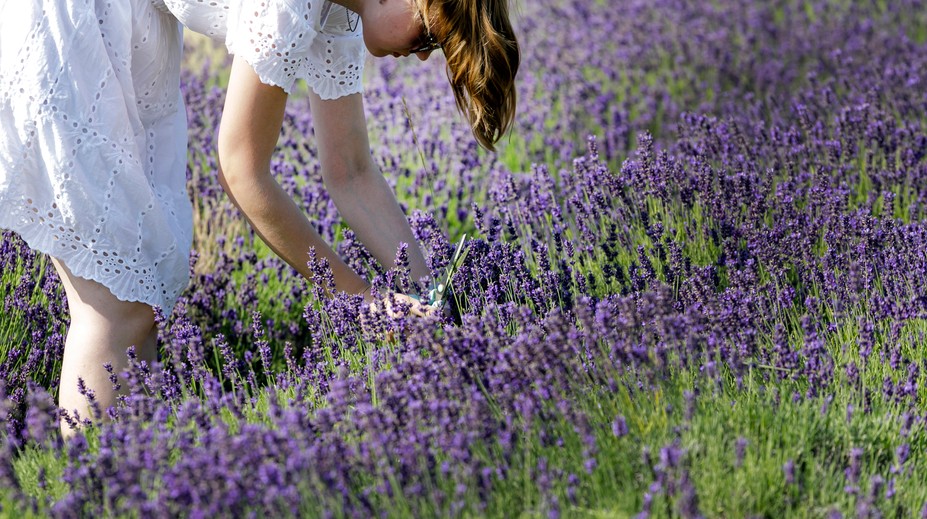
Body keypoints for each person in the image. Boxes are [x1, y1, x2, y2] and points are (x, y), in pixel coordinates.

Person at [0, 0, 518, 435]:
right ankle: (92, 495)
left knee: (137, 303)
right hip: (74, 25)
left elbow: (352, 172)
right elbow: (242, 167)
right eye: (431, 34)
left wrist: (437, 301)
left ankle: (123, 487)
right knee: (116, 308)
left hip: (130, 29)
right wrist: (360, 302)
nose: (425, 55)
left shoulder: (341, 12)